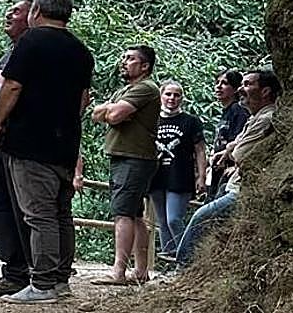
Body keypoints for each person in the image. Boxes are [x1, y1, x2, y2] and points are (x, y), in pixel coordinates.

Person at [0, 0, 94, 305]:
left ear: (36, 11)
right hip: (65, 144)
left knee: (39, 215)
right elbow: (83, 99)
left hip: (30, 142)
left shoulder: (30, 42)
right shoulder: (81, 51)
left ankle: (43, 283)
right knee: (61, 213)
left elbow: (13, 85)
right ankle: (60, 279)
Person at [175, 69, 281, 267]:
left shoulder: (267, 118)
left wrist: (231, 152)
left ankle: (182, 269)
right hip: (231, 183)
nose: (241, 89)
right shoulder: (254, 117)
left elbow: (240, 152)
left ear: (265, 91)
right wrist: (228, 150)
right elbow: (236, 144)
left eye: (247, 84)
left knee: (201, 218)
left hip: (244, 189)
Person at [91, 45, 161, 286]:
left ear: (145, 66)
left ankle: (118, 272)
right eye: (124, 58)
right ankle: (140, 271)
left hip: (134, 157)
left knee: (122, 213)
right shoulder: (126, 90)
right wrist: (110, 110)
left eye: (130, 59)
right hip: (124, 156)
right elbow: (96, 113)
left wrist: (111, 110)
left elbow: (113, 116)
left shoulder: (146, 88)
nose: (124, 62)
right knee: (135, 214)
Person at [0, 0, 36, 297]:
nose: (8, 14)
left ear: (33, 16)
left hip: (17, 138)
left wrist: (5, 124)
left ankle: (30, 271)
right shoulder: (8, 54)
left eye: (16, 11)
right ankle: (13, 269)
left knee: (20, 206)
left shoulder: (33, 53)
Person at [148, 81, 207, 258]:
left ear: (182, 98)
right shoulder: (152, 119)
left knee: (174, 218)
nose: (172, 98)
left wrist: (202, 176)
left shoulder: (191, 121)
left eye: (176, 95)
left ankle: (187, 257)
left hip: (180, 175)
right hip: (156, 175)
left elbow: (200, 150)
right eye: (168, 94)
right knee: (162, 222)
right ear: (161, 96)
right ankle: (169, 257)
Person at [208, 70, 249, 198]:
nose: (219, 86)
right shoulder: (226, 112)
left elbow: (239, 142)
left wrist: (234, 166)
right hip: (218, 169)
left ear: (236, 89)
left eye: (225, 83)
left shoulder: (239, 111)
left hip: (229, 170)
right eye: (217, 83)